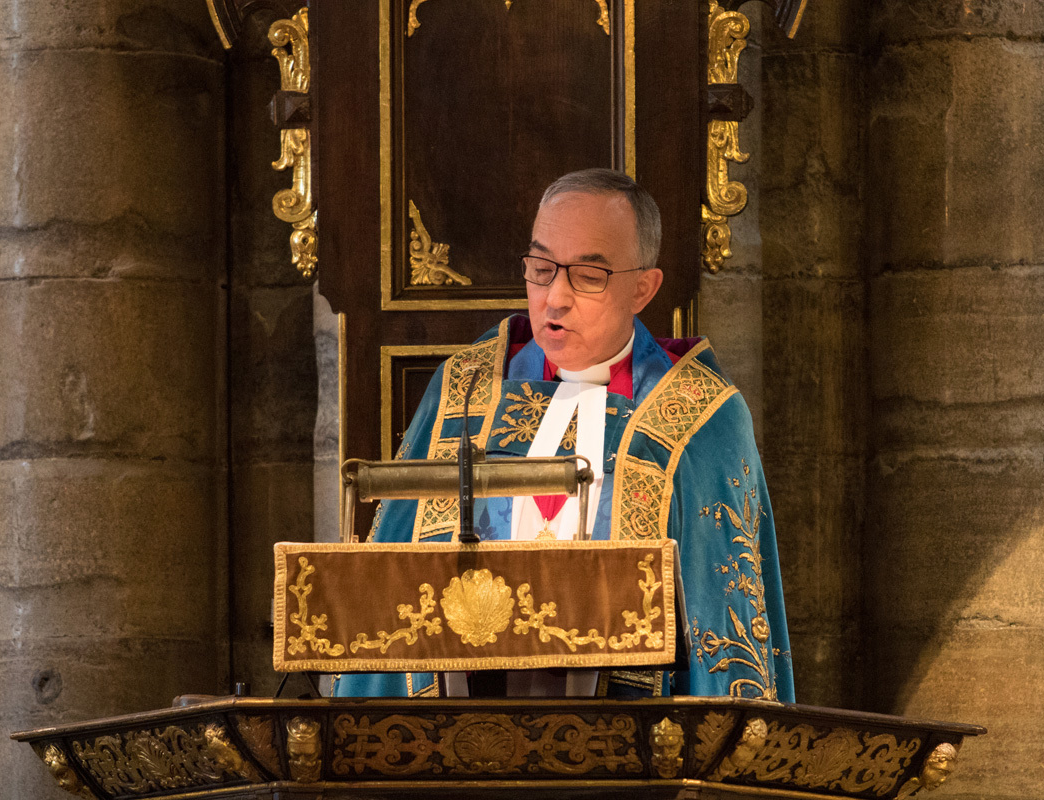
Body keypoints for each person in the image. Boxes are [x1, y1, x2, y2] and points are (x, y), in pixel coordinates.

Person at [333, 168, 793, 701]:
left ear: (643, 287)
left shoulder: (701, 416)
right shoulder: (465, 390)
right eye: (541, 268)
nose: (555, 297)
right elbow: (396, 591)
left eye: (587, 276)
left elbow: (724, 632)